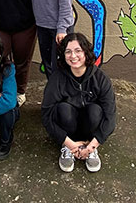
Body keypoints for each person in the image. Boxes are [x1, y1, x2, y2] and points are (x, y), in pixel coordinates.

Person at [41, 33, 116, 173]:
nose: (73, 56)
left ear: (86, 53)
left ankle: (89, 148)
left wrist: (92, 145)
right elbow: (46, 115)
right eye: (68, 51)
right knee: (63, 109)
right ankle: (68, 149)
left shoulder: (100, 78)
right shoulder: (57, 79)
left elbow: (110, 116)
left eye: (78, 51)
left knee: (95, 110)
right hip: (67, 128)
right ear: (63, 55)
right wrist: (69, 143)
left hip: (90, 129)